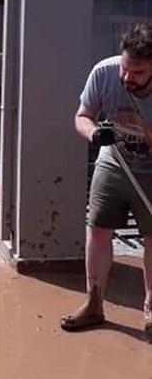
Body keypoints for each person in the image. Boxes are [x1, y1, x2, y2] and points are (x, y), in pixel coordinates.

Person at [61, 22, 152, 334]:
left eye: (138, 73)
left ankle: (151, 308)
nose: (127, 78)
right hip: (112, 163)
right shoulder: (104, 72)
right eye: (126, 68)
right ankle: (94, 303)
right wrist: (95, 134)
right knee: (98, 231)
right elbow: (82, 116)